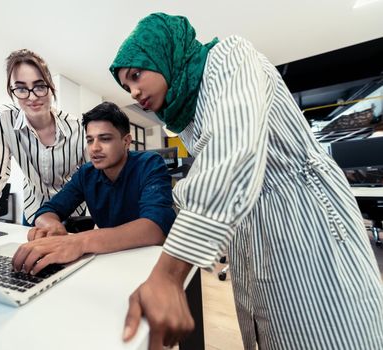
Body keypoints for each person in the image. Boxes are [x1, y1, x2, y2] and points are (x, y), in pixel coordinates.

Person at [109, 12, 383, 350]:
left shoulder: (228, 56)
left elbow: (232, 154)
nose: (134, 91)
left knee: (327, 332)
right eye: (126, 86)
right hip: (253, 229)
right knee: (273, 334)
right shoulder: (188, 116)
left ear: (162, 52)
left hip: (306, 219)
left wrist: (169, 274)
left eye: (136, 75)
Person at [11, 101, 176, 274]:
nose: (94, 148)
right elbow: (48, 210)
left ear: (126, 141)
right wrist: (51, 225)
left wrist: (80, 242)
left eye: (105, 139)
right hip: (109, 258)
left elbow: (155, 229)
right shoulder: (86, 173)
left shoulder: (149, 163)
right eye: (90, 140)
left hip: (150, 260)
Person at [0, 49, 87, 252]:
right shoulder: (3, 120)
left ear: (50, 87)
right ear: (12, 91)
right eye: (21, 89)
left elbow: (91, 178)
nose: (32, 97)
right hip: (34, 212)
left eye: (39, 86)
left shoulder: (79, 127)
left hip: (73, 214)